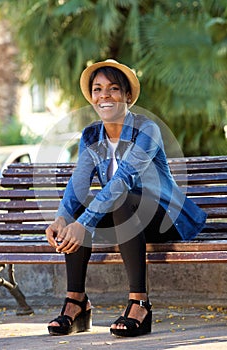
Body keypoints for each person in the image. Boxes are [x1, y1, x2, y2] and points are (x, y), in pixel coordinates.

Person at [45, 59, 207, 337]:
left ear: (128, 97)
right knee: (79, 211)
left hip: (166, 218)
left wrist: (84, 222)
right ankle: (76, 302)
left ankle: (139, 303)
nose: (104, 95)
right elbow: (79, 181)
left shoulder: (147, 130)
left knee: (120, 199)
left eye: (113, 88)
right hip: (127, 219)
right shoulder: (91, 135)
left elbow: (123, 181)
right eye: (97, 89)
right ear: (92, 97)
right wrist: (62, 218)